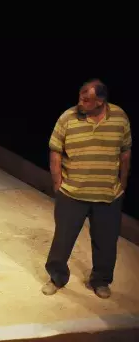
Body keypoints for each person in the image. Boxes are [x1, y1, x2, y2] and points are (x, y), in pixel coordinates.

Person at [42, 79, 131, 299]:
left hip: (108, 194)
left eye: (86, 99)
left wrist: (122, 182)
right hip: (72, 193)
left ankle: (100, 281)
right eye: (80, 97)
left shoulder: (119, 117)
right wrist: (57, 182)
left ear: (100, 101)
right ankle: (57, 277)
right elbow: (55, 150)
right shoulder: (68, 117)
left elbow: (125, 151)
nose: (80, 102)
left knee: (106, 242)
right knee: (62, 239)